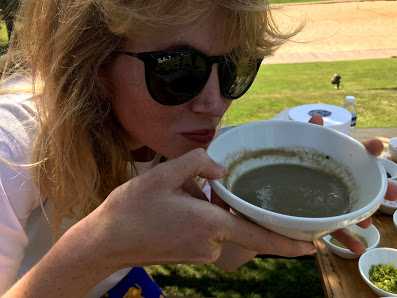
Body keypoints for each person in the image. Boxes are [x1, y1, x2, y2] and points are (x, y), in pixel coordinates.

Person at [0, 1, 396, 297]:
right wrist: (97, 250)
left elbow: (225, 257)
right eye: (177, 69)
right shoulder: (12, 143)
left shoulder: (167, 136)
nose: (214, 103)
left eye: (233, 67)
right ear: (92, 62)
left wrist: (286, 213)